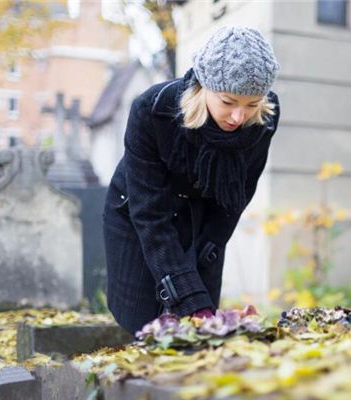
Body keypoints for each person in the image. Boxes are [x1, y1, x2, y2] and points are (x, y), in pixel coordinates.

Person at [102, 26, 280, 335]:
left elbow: (236, 198)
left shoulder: (263, 119)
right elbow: (149, 215)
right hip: (139, 211)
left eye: (251, 104)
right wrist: (185, 292)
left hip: (205, 214)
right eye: (228, 102)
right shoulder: (151, 109)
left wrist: (198, 282)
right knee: (143, 321)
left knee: (202, 320)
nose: (239, 117)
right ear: (204, 86)